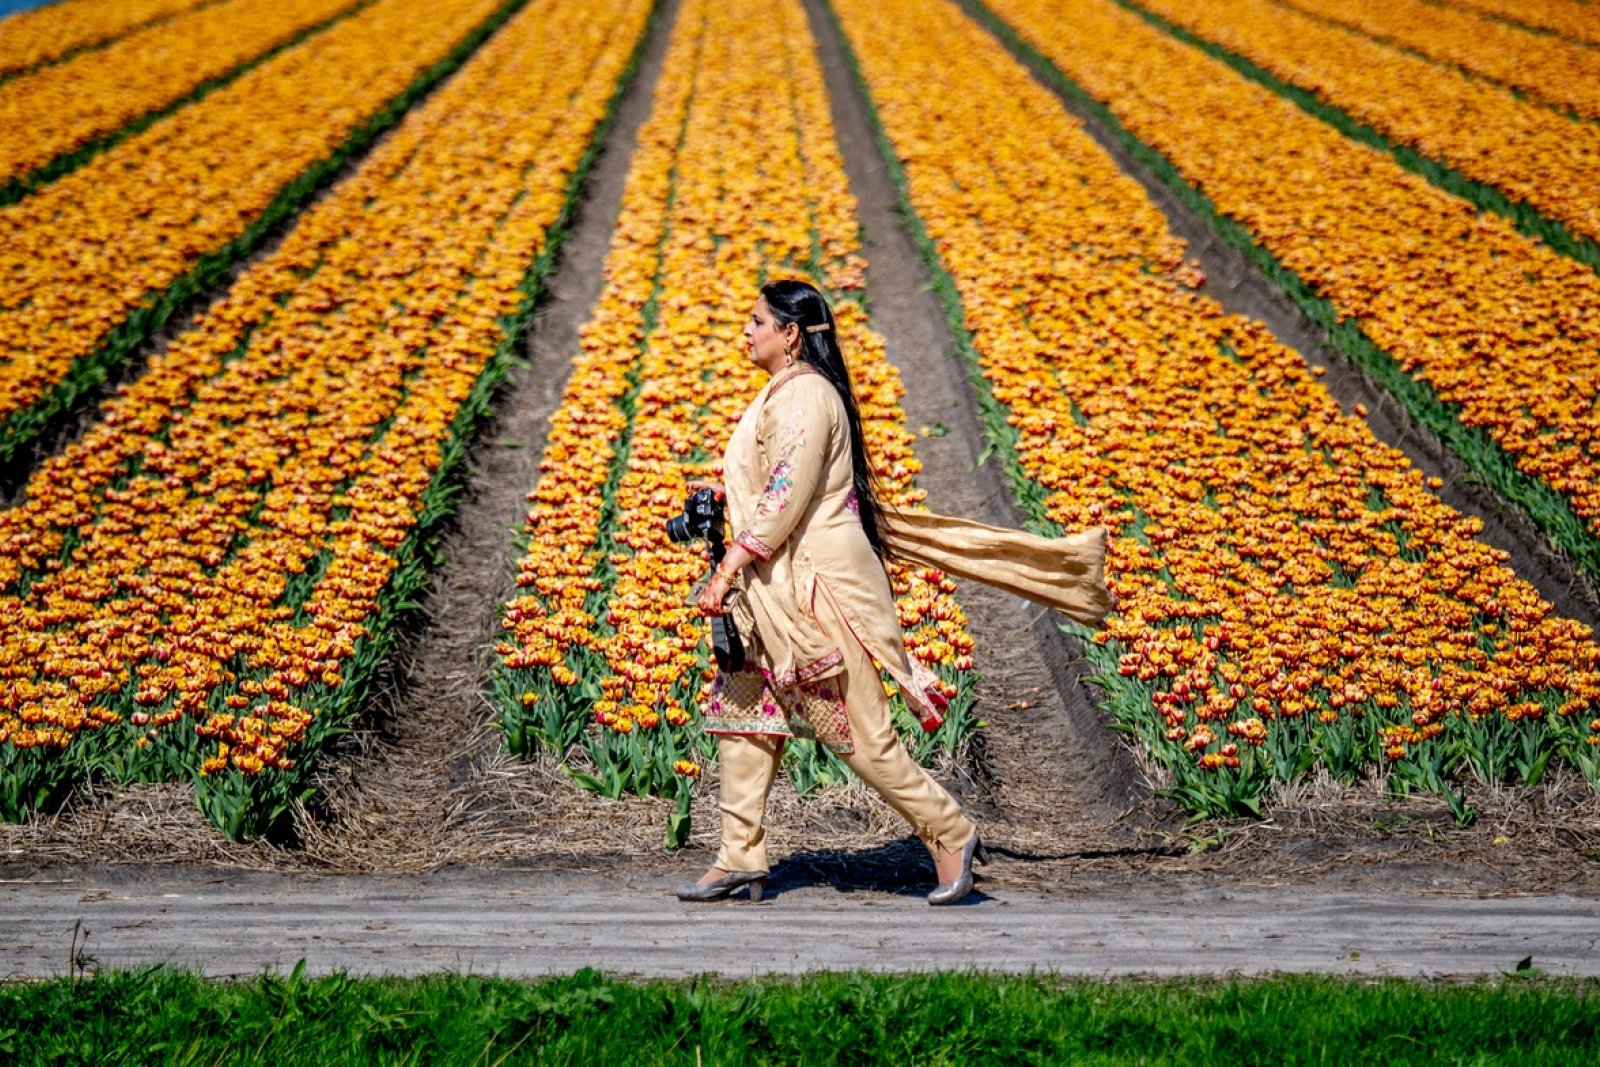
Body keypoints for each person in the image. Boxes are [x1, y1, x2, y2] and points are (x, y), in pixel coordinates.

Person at [675, 279, 1111, 906]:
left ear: (791, 335)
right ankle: (738, 857)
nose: (745, 332)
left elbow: (784, 499)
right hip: (770, 587)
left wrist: (725, 570)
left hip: (815, 587)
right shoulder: (784, 393)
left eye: (757, 322)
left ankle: (951, 832)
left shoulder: (806, 397)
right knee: (745, 715)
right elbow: (774, 489)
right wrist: (727, 505)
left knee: (856, 731)